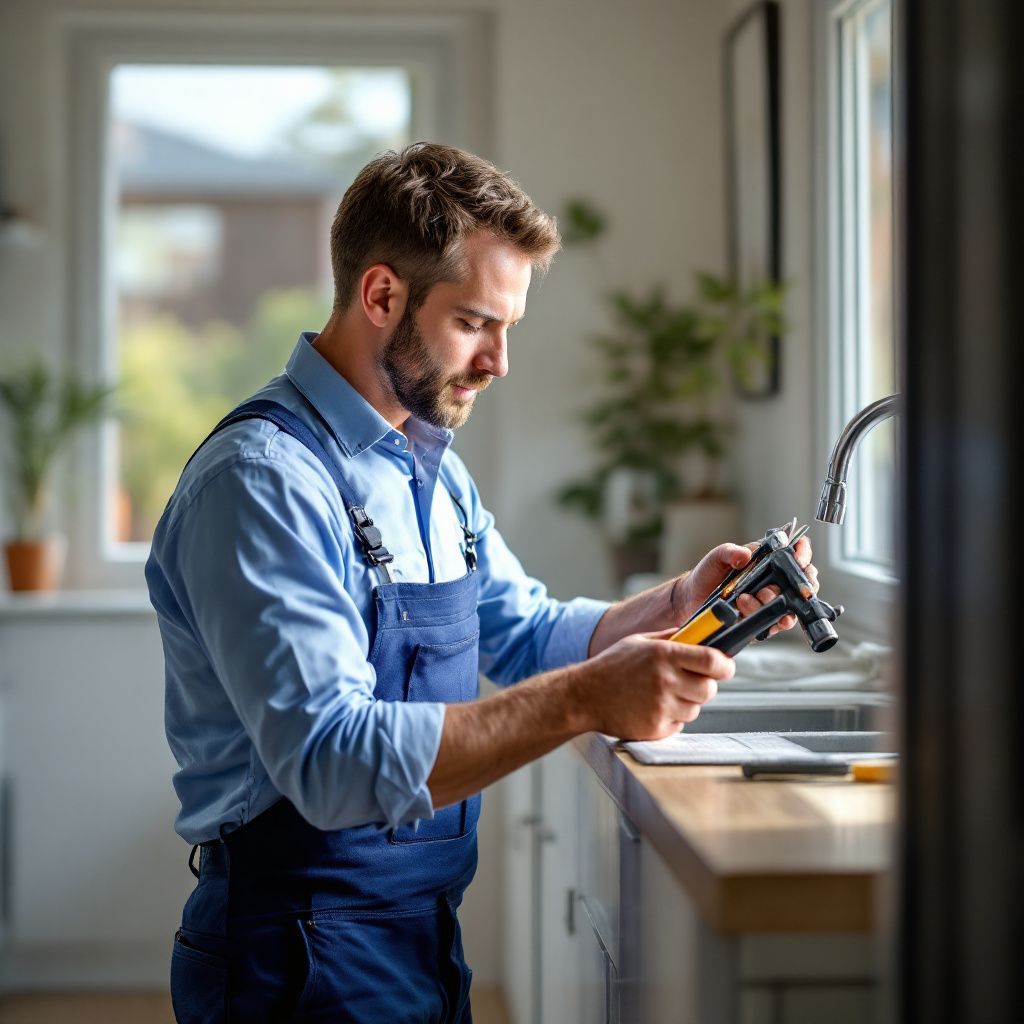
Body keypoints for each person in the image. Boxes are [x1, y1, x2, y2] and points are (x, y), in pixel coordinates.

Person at [146, 141, 817, 1024]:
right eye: (475, 323)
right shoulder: (264, 482)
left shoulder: (430, 469)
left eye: (508, 327)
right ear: (381, 295)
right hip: (294, 954)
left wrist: (681, 604)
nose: (500, 360)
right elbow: (328, 763)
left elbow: (524, 631)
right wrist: (583, 701)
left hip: (419, 933)